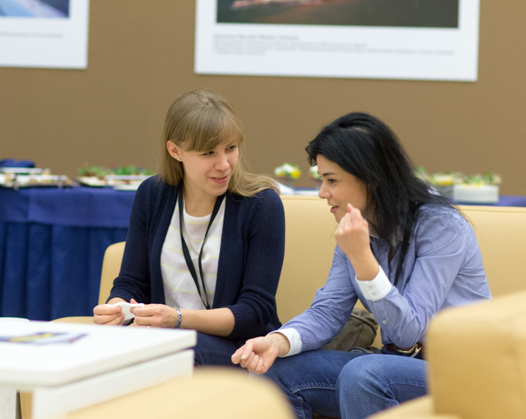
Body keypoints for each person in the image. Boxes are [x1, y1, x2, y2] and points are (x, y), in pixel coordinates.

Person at [232, 112, 491, 419]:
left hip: (461, 374)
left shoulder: (442, 227)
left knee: (364, 374)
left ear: (372, 178)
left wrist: (362, 258)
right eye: (322, 179)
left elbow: (409, 332)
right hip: (392, 366)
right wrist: (278, 341)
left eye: (331, 180)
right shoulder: (355, 228)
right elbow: (328, 311)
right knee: (273, 371)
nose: (322, 192)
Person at [93, 89, 285, 367]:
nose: (224, 164)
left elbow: (255, 312)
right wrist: (116, 308)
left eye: (231, 148)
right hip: (164, 338)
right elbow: (131, 282)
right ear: (175, 151)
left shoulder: (261, 205)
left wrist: (178, 318)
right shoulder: (152, 195)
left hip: (239, 348)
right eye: (208, 153)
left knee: (168, 354)